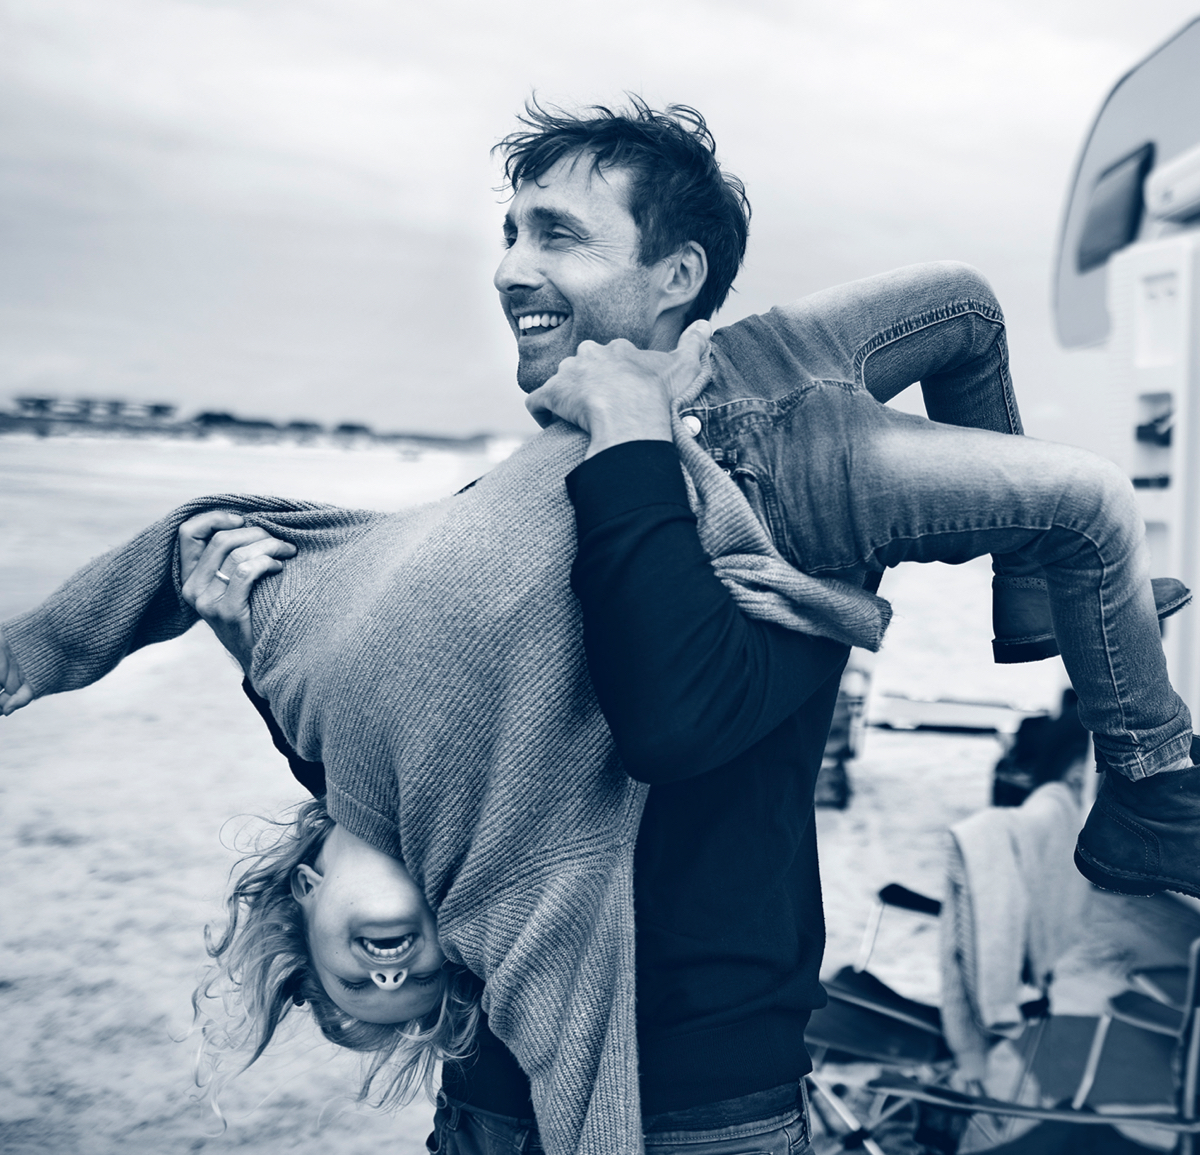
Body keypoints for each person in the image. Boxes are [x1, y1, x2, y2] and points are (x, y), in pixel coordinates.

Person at [5, 98, 1200, 1151]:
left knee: (969, 306)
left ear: (676, 278)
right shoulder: (575, 553)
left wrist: (633, 426)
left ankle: (1049, 618)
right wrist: (630, 424)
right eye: (513, 232)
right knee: (1085, 500)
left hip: (739, 384)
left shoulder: (461, 580)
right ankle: (1132, 760)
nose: (511, 265)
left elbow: (569, 711)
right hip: (664, 1094)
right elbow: (545, 748)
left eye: (553, 232)